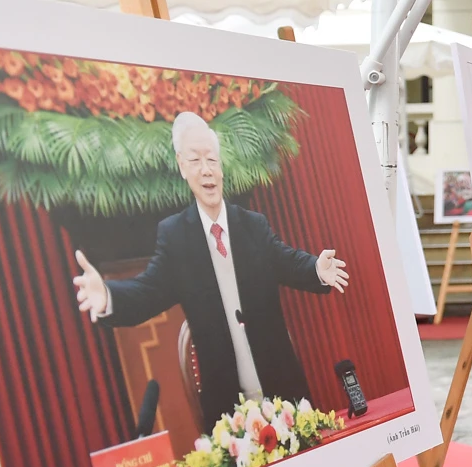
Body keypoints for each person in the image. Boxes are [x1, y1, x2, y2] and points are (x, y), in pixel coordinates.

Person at [74, 111, 349, 430]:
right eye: (195, 161)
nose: (206, 171)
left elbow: (286, 260)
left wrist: (317, 268)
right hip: (228, 414)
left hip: (286, 397)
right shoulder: (176, 237)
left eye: (212, 160)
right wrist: (108, 295)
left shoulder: (252, 226)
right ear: (181, 166)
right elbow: (147, 292)